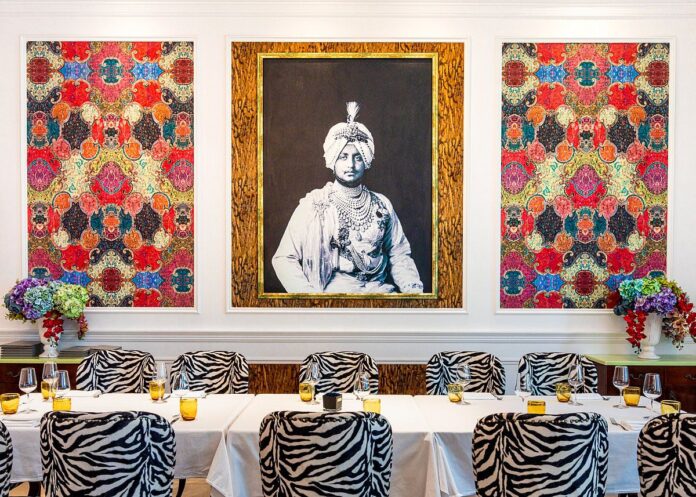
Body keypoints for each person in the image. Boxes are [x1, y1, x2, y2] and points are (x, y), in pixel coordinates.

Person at [272, 101, 423, 294]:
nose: (350, 164)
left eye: (357, 157)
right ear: (333, 160)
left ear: (366, 161)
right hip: (334, 300)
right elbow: (284, 258)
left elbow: (399, 254)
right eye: (343, 157)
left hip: (381, 295)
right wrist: (309, 298)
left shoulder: (382, 204)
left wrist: (413, 292)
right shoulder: (315, 204)